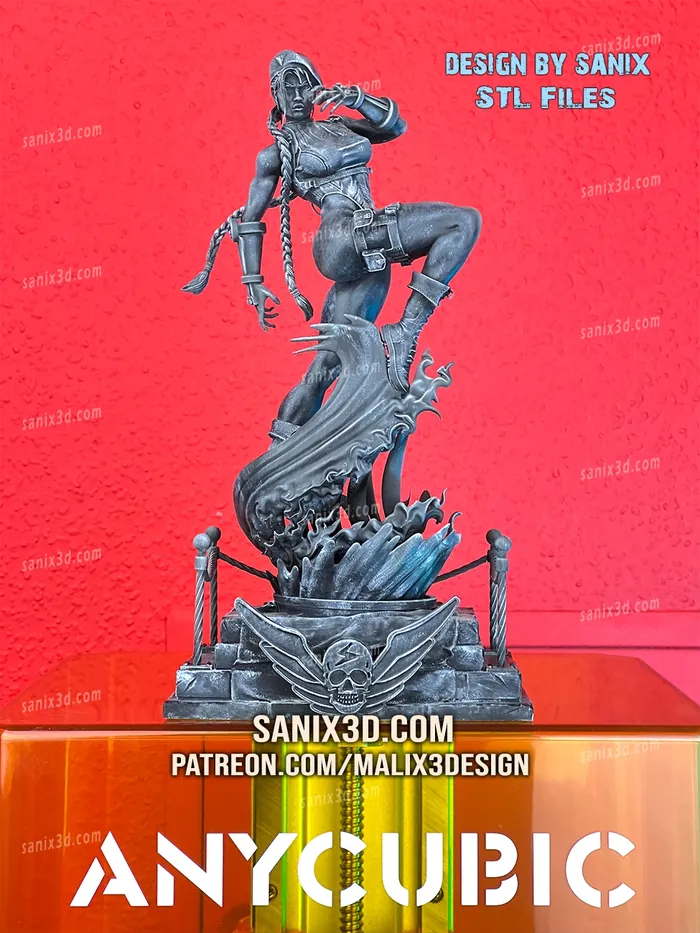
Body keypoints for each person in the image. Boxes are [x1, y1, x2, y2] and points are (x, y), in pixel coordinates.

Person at [185, 51, 481, 443]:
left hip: (369, 253)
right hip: (339, 240)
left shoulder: (340, 125)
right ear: (275, 95)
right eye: (287, 87)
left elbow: (394, 125)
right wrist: (252, 281)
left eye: (304, 84)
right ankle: (405, 333)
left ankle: (279, 451)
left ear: (316, 89)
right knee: (463, 222)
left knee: (326, 366)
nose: (297, 94)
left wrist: (356, 97)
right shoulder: (277, 153)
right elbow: (251, 219)